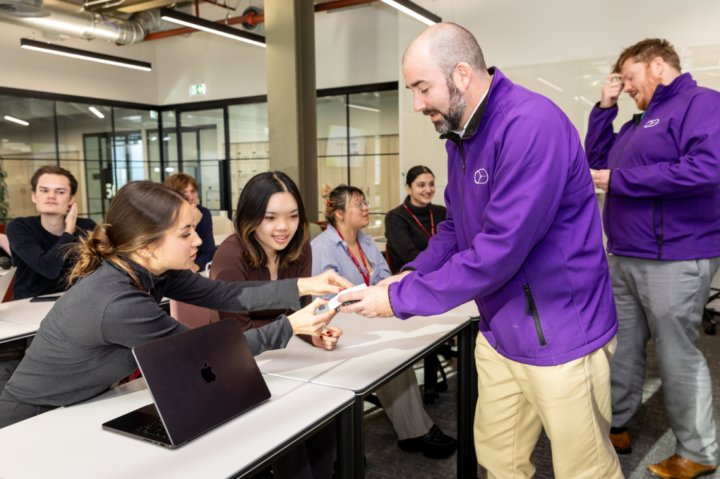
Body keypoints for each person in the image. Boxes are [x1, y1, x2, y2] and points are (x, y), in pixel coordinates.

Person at [339, 23, 621, 479]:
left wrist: (397, 300)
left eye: (422, 87)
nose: (416, 104)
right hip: (500, 330)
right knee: (499, 460)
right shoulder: (461, 134)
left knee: (584, 470)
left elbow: (498, 251)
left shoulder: (531, 125)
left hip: (560, 336)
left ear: (463, 74)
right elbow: (456, 227)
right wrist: (408, 274)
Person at [0, 181, 351, 432]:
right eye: (185, 234)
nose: (198, 240)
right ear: (145, 245)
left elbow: (227, 295)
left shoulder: (155, 271)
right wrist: (291, 326)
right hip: (32, 418)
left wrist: (306, 285)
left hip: (83, 402)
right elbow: (202, 353)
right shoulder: (118, 301)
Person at [586, 38, 720, 479]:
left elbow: (707, 167)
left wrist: (621, 180)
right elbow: (596, 160)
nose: (624, 87)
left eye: (629, 77)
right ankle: (617, 424)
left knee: (677, 352)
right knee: (621, 348)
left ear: (657, 66)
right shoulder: (638, 124)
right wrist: (604, 108)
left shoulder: (700, 103)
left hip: (674, 255)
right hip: (625, 253)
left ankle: (698, 451)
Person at [311, 183, 457, 459]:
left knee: (402, 347)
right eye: (359, 204)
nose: (367, 208)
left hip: (372, 319)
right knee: (392, 358)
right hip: (343, 329)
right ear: (339, 214)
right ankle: (415, 430)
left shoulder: (366, 241)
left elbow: (383, 282)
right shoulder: (321, 248)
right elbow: (327, 304)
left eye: (366, 203)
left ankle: (413, 424)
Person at [210, 171, 342, 352]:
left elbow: (301, 313)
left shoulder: (300, 245)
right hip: (232, 359)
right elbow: (238, 336)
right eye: (270, 217)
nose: (284, 227)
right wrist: (290, 323)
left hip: (284, 354)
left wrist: (314, 336)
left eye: (293, 216)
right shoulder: (230, 255)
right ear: (250, 216)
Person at [5, 165, 96, 300]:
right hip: (27, 305)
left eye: (60, 192)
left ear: (71, 199)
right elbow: (49, 269)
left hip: (73, 302)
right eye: (44, 190)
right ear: (34, 196)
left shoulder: (86, 227)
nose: (51, 196)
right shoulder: (19, 227)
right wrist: (69, 230)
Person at [384, 166, 446, 273]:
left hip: (442, 273)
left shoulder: (442, 212)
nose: (428, 190)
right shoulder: (395, 217)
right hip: (412, 276)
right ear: (408, 188)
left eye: (431, 184)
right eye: (421, 185)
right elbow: (410, 257)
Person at [164, 173, 215, 272]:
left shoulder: (203, 213)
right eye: (183, 192)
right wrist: (193, 222)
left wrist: (195, 267)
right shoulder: (165, 215)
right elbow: (174, 251)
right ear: (172, 195)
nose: (190, 197)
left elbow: (209, 251)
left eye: (193, 191)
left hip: (191, 267)